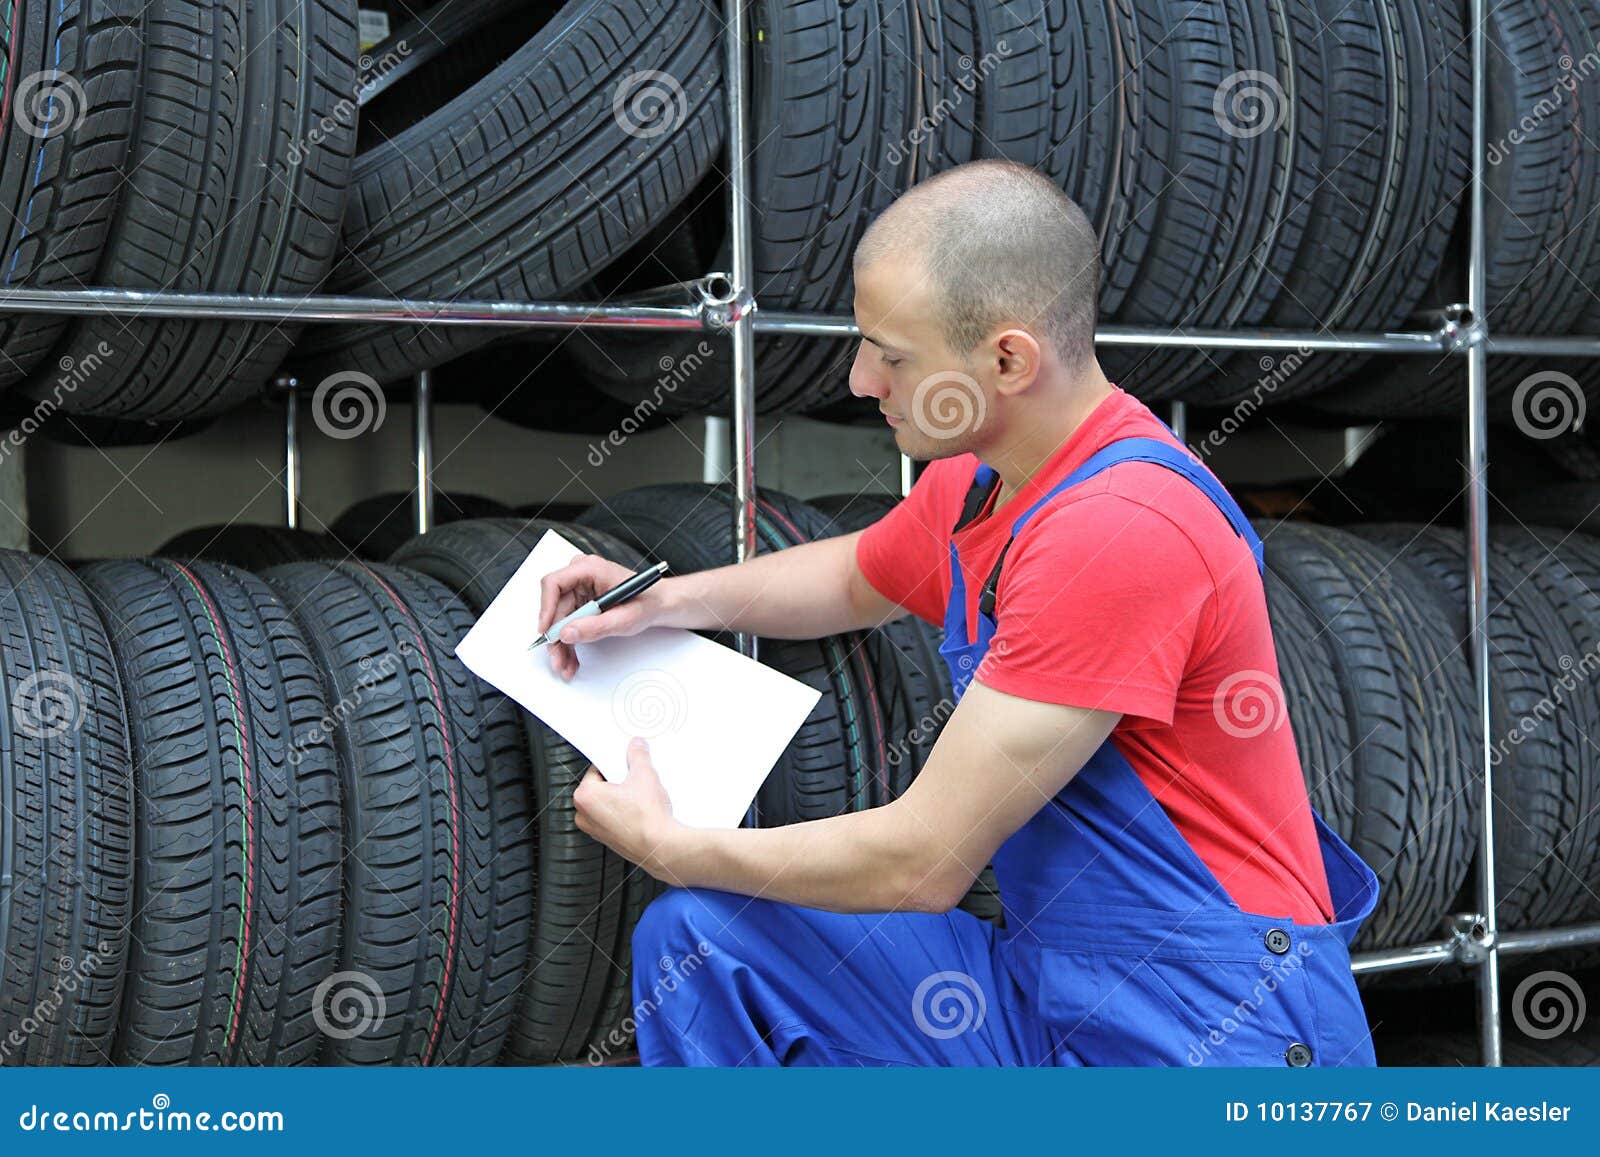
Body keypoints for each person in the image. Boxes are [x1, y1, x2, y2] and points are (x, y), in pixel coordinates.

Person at [536, 159, 1380, 1067]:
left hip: (1217, 1020)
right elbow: (855, 577)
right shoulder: (986, 481)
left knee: (701, 895)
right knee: (703, 942)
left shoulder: (1119, 528)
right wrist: (665, 601)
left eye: (892, 355)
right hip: (1053, 982)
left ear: (1008, 360)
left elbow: (925, 860)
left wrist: (675, 845)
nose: (860, 380)